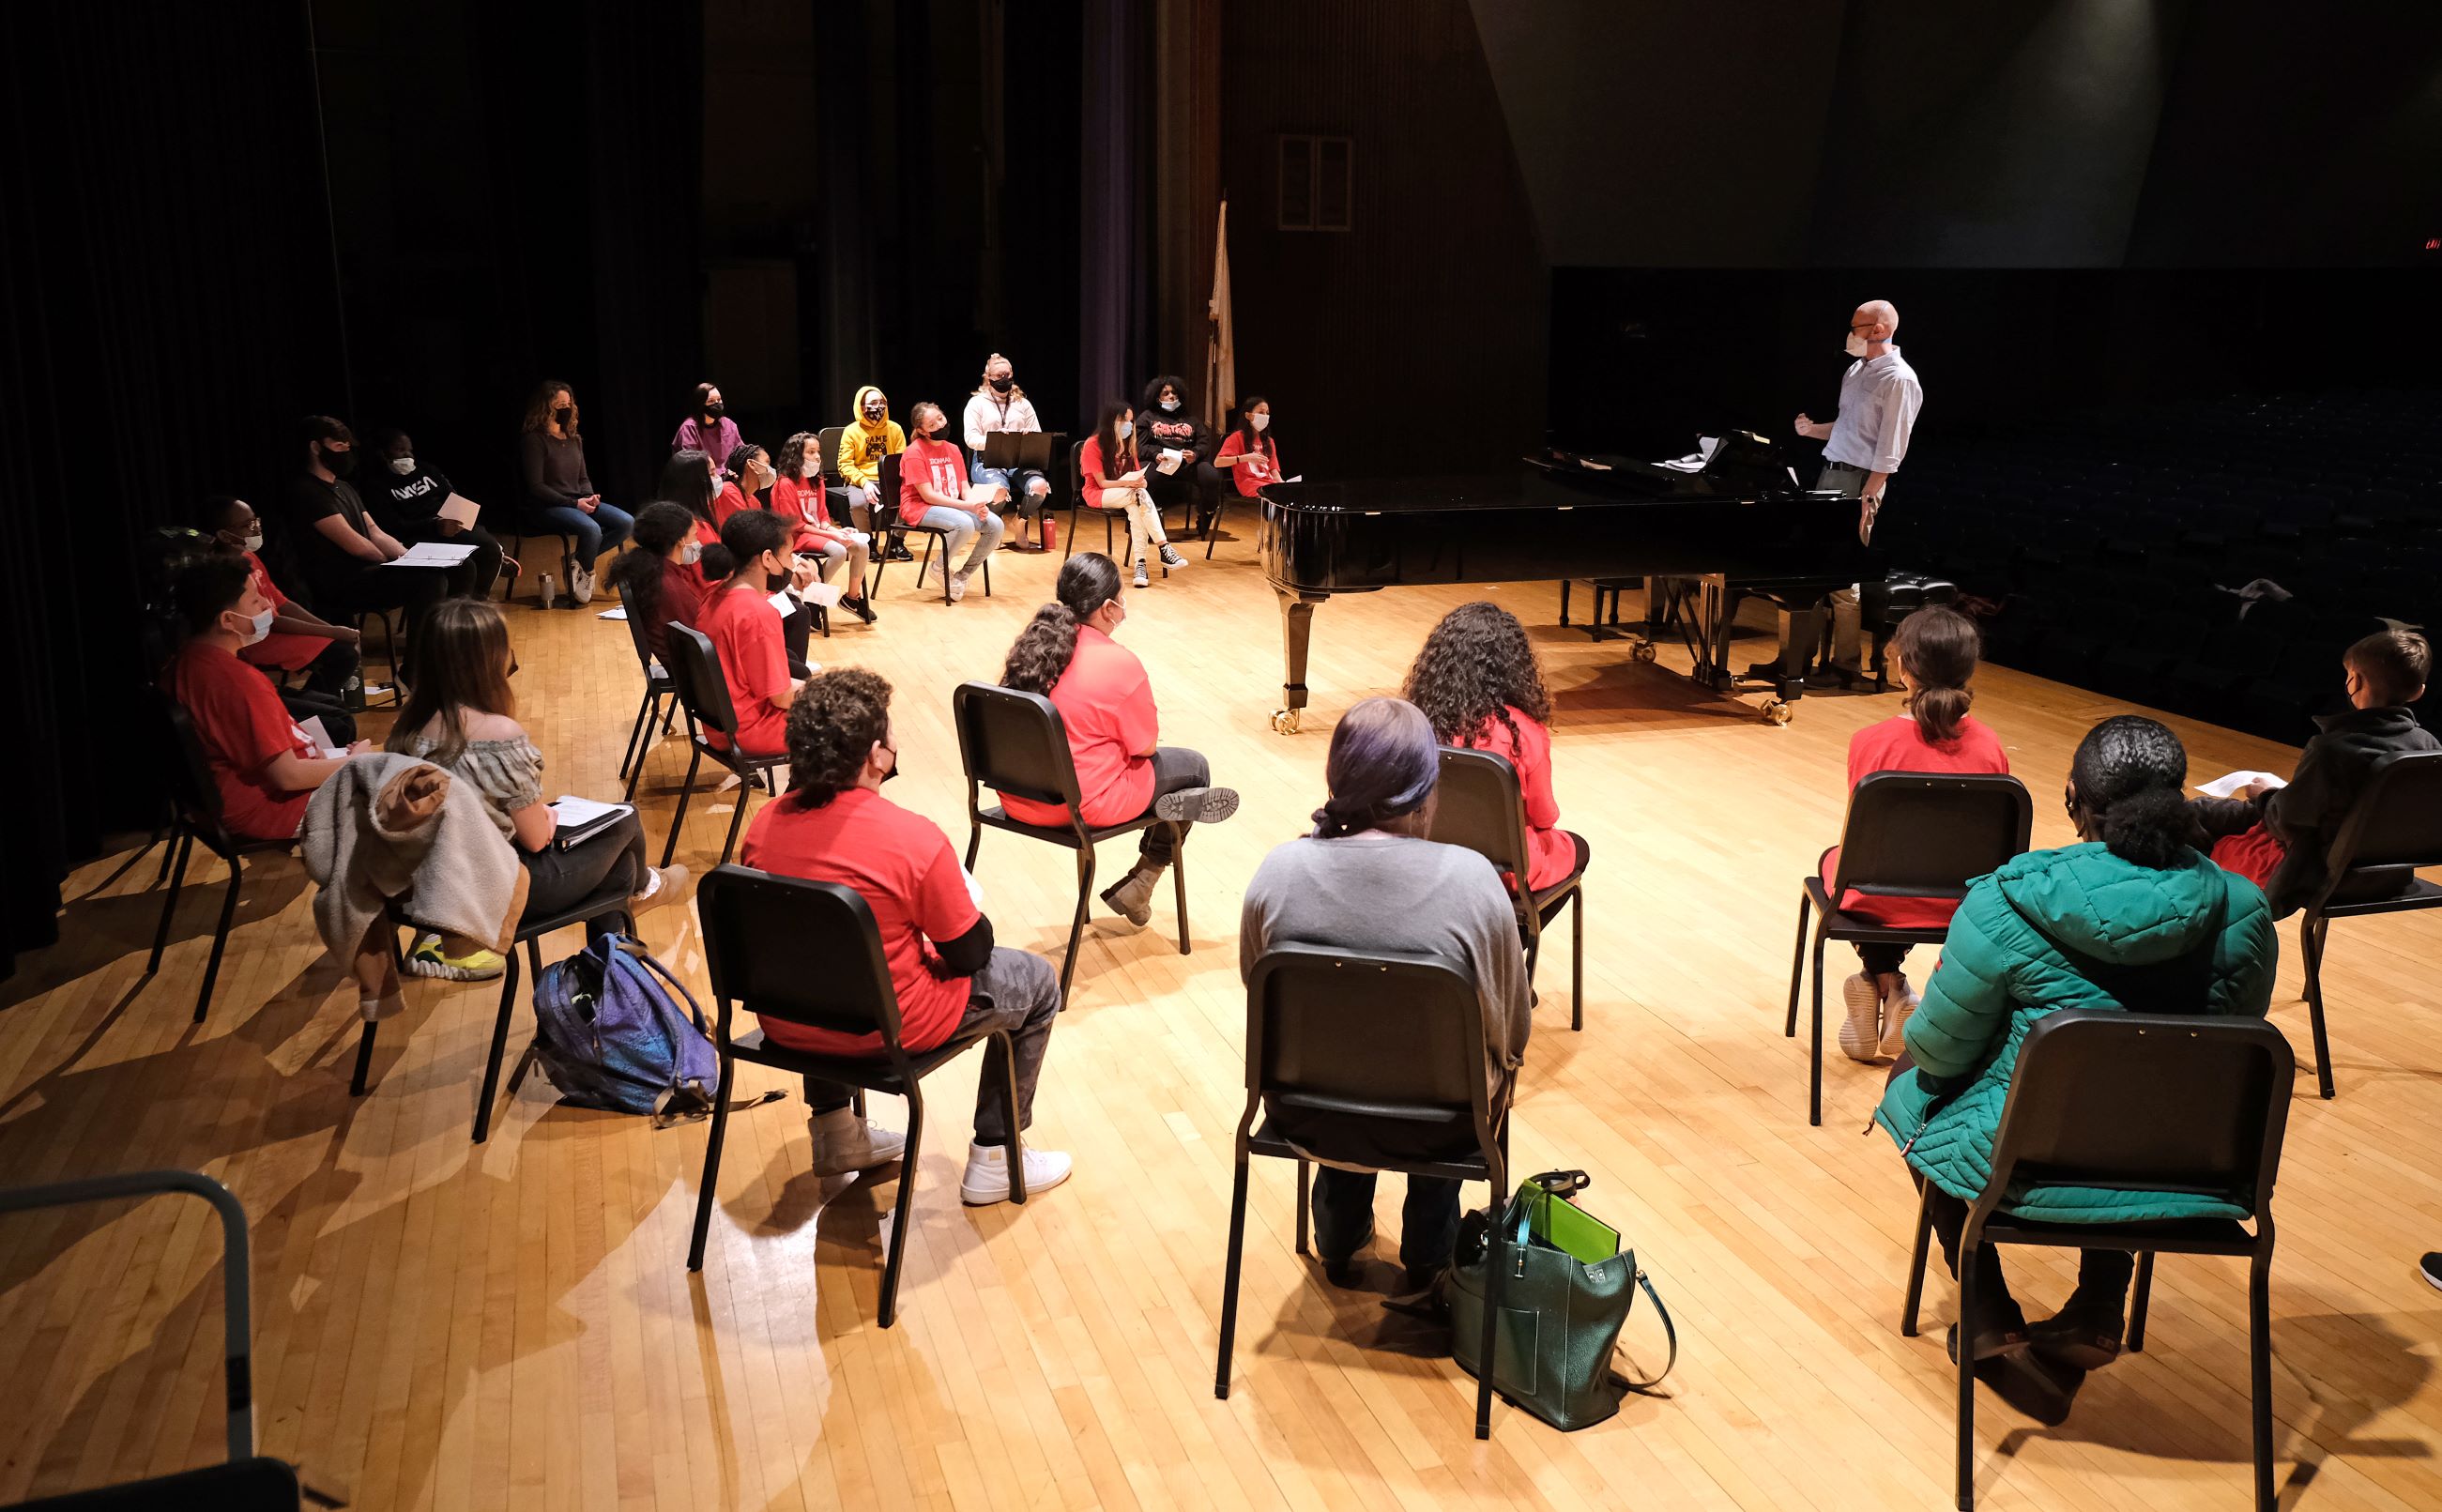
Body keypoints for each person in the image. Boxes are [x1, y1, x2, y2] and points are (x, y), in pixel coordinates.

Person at [1875, 715, 2275, 1426]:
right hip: (2183, 1160)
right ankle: (2099, 1302)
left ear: (2072, 800)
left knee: (1912, 1075)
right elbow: (2220, 1052)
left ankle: (1985, 1301)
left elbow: (1940, 1050)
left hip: (2025, 1156)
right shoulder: (2244, 910)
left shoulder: (2005, 897)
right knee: (2135, 1093)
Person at [739, 668, 1072, 1200]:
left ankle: (835, 1131)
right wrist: (959, 905)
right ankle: (997, 1155)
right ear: (876, 755)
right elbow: (968, 955)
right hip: (885, 1030)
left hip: (787, 1023)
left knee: (817, 962)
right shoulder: (910, 837)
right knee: (1034, 980)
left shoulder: (762, 826)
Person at [1240, 696, 1531, 1291]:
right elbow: (1513, 1030)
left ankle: (1338, 1239)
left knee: (1346, 1052)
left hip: (1305, 1116)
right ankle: (1433, 1256)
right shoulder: (1474, 881)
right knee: (1457, 1066)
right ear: (1427, 792)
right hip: (1446, 1127)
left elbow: (1257, 990)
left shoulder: (1278, 871)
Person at [387, 598, 684, 980]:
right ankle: (641, 896)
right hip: (494, 893)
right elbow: (535, 839)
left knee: (617, 867)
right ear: (489, 661)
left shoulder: (406, 730)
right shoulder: (497, 736)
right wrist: (547, 813)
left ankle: (611, 962)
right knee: (625, 821)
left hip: (431, 886)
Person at [998, 553, 1241, 924]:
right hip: (1080, 806)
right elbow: (1145, 748)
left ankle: (1149, 859)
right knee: (1194, 769)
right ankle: (1143, 880)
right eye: (1123, 602)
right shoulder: (1118, 662)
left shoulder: (1032, 652)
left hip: (1018, 799)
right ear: (1109, 608)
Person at [1816, 604, 2008, 1062]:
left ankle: (1883, 980)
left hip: (1874, 897)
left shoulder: (1871, 740)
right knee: (1911, 871)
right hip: (1966, 902)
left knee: (1840, 859)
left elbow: (1868, 842)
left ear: (1902, 667)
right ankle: (1892, 987)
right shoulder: (1991, 747)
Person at [2191, 629, 2437, 917]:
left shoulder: (2332, 749)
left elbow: (2286, 820)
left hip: (2326, 874)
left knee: (2198, 811)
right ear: (2419, 690)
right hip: (2391, 876)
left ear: (2354, 680)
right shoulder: (2431, 749)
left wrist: (2266, 792)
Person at [160, 555, 368, 843]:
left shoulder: (184, 662)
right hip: (271, 810)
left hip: (224, 803)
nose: (267, 606)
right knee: (409, 791)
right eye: (256, 600)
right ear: (227, 620)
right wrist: (354, 763)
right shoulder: (238, 682)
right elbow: (289, 777)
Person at [1402, 601, 1586, 894]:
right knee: (1576, 846)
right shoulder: (1522, 731)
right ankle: (1518, 936)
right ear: (1515, 666)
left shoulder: (1415, 722)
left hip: (1430, 861)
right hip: (1503, 874)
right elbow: (1545, 817)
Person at [1785, 299, 1924, 678]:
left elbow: (1892, 446)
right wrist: (1813, 431)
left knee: (1842, 576)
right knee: (1812, 569)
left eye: (1856, 326)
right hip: (1831, 472)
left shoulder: (1899, 379)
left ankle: (1845, 665)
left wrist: (1868, 494)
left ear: (1878, 329)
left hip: (1859, 480)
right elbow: (1849, 426)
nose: (1851, 334)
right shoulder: (1856, 370)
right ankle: (1798, 659)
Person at [280, 416, 454, 677]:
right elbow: (356, 545)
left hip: (368, 573)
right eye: (340, 446)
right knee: (429, 581)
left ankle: (451, 648)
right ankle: (418, 668)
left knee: (461, 567)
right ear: (316, 448)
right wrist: (398, 564)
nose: (347, 451)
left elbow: (374, 531)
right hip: (341, 583)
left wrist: (411, 556)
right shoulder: (306, 491)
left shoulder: (344, 487)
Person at [199, 496, 362, 714]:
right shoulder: (224, 574)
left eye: (256, 521)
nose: (256, 529)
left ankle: (318, 710)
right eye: (247, 525)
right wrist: (331, 631)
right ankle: (312, 715)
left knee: (341, 649)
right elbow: (270, 621)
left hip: (270, 630)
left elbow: (282, 603)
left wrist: (329, 629)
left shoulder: (250, 558)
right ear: (223, 535)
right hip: (253, 639)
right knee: (343, 655)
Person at [698, 509, 816, 757]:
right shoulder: (758, 612)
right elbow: (781, 697)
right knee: (854, 727)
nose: (790, 565)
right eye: (788, 556)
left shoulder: (713, 595)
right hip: (750, 729)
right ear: (767, 558)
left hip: (719, 723)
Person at [518, 380, 634, 605]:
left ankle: (577, 560)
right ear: (545, 407)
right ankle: (586, 571)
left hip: (576, 501)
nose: (565, 409)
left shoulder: (574, 439)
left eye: (568, 404)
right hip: (547, 506)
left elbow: (582, 478)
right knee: (591, 529)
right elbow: (536, 486)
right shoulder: (535, 441)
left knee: (626, 522)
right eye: (559, 404)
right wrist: (574, 504)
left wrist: (590, 496)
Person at [367, 427, 505, 601]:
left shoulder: (426, 470)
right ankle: (456, 613)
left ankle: (478, 602)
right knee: (464, 565)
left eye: (409, 450)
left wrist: (459, 516)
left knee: (489, 547)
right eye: (400, 450)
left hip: (447, 527)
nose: (408, 456)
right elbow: (392, 526)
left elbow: (451, 496)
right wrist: (434, 525)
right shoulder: (375, 486)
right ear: (382, 453)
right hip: (418, 535)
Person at [898, 401, 1004, 602]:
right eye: (932, 425)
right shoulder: (914, 452)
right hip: (919, 507)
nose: (939, 425)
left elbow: (964, 488)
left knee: (995, 525)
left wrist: (979, 505)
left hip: (953, 505)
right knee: (962, 524)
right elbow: (928, 495)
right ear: (922, 431)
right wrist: (968, 507)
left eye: (940, 419)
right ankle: (938, 568)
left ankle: (962, 576)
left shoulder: (953, 449)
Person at [773, 430, 877, 624]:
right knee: (838, 551)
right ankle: (813, 600)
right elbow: (795, 525)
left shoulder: (817, 481)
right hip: (793, 536)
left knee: (862, 547)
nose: (817, 456)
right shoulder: (785, 483)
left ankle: (851, 599)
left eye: (818, 451)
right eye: (810, 452)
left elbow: (822, 517)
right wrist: (833, 536)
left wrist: (837, 531)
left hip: (815, 533)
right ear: (796, 455)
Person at [1080, 401, 1184, 590]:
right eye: (1123, 420)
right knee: (1137, 496)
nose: (1128, 425)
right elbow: (1102, 483)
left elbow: (1138, 474)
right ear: (1111, 421)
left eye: (1130, 421)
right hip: (1098, 493)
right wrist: (1130, 484)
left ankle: (1141, 566)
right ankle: (1164, 547)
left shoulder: (1129, 444)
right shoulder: (1092, 445)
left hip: (1128, 493)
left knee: (1137, 505)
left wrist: (1141, 482)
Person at [603, 501, 713, 667]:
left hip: (683, 663)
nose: (698, 542)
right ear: (681, 540)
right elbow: (704, 633)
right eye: (695, 535)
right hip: (693, 669)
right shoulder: (669, 585)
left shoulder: (653, 570)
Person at [963, 353, 1053, 550]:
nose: (1004, 379)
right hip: (987, 460)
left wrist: (1029, 436)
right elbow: (970, 439)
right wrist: (995, 439)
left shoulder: (1023, 403)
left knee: (1039, 486)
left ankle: (1019, 522)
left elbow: (1037, 432)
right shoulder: (976, 404)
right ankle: (993, 529)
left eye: (1007, 375)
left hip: (1019, 461)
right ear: (988, 378)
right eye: (999, 376)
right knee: (999, 490)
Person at [1138, 374, 1223, 537]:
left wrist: (1195, 453)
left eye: (1175, 393)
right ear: (1157, 397)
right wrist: (1155, 454)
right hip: (1159, 462)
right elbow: (1139, 446)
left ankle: (1206, 513)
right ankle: (1147, 521)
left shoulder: (1190, 419)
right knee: (1145, 480)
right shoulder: (1147, 417)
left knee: (1211, 476)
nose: (1172, 396)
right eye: (1166, 393)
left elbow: (1204, 442)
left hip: (1186, 463)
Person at [837, 385, 912, 562]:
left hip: (889, 478)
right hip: (860, 479)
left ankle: (896, 541)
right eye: (873, 403)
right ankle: (868, 543)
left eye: (882, 402)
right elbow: (844, 465)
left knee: (913, 498)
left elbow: (901, 459)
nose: (878, 407)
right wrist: (864, 482)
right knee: (857, 504)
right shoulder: (851, 431)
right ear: (861, 406)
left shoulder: (894, 428)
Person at [1213, 396, 1281, 500]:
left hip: (1269, 483)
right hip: (1249, 483)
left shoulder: (1269, 441)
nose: (1265, 416)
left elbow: (1273, 470)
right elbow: (1218, 462)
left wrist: (1282, 484)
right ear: (1248, 415)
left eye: (1267, 413)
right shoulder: (1236, 437)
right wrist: (1245, 458)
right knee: (1271, 498)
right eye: (1261, 412)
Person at [672, 381, 741, 466]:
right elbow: (689, 462)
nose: (717, 404)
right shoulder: (689, 427)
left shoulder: (729, 424)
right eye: (711, 401)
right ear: (700, 405)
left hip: (729, 475)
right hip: (703, 476)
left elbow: (741, 452)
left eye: (719, 400)